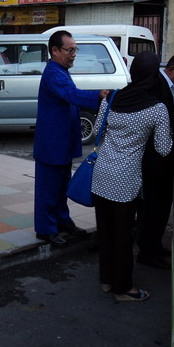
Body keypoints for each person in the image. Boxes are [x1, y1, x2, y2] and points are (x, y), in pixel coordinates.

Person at [90, 51, 172, 302]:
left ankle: (107, 281)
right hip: (125, 181)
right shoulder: (157, 109)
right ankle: (123, 289)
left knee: (105, 232)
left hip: (101, 174)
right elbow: (164, 148)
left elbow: (96, 132)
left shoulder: (112, 97)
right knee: (124, 235)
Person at [33, 30, 102, 246]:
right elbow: (72, 95)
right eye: (70, 50)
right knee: (49, 189)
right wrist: (100, 96)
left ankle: (62, 221)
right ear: (55, 50)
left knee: (62, 186)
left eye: (75, 50)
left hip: (61, 142)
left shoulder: (61, 70)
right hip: (52, 143)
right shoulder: (54, 73)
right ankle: (46, 229)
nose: (73, 54)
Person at [137, 52, 174, 269]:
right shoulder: (156, 84)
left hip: (170, 150)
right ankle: (147, 251)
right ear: (172, 69)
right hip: (157, 155)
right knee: (154, 205)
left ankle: (155, 245)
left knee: (163, 204)